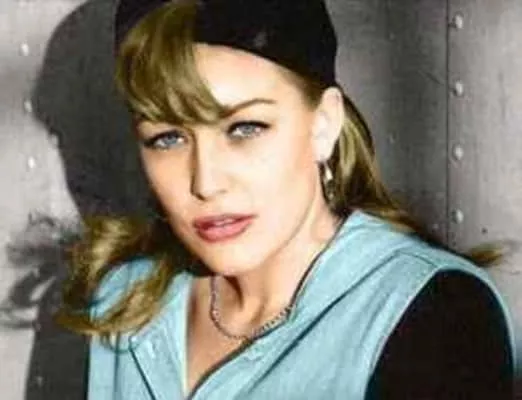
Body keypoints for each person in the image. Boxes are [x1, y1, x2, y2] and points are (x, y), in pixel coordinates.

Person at [57, 0, 515, 398]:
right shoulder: (126, 302)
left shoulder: (436, 316)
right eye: (167, 138)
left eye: (245, 129)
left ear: (324, 124)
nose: (206, 183)